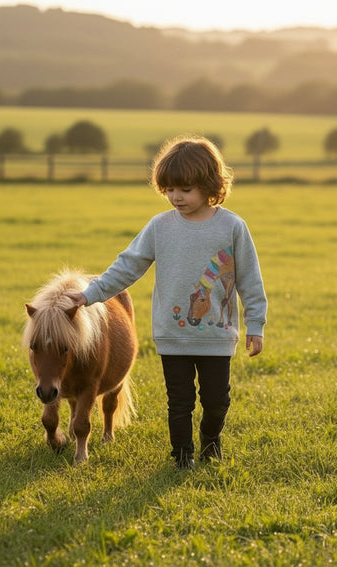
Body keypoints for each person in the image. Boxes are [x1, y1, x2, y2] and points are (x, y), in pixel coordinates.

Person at [67, 135, 267, 470]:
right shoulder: (160, 227)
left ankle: (210, 440)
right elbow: (127, 267)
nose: (176, 197)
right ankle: (182, 454)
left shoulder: (232, 227)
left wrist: (256, 325)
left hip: (217, 337)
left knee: (217, 401)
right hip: (172, 335)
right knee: (179, 402)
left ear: (209, 184)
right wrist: (89, 295)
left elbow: (250, 280)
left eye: (185, 189)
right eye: (169, 189)